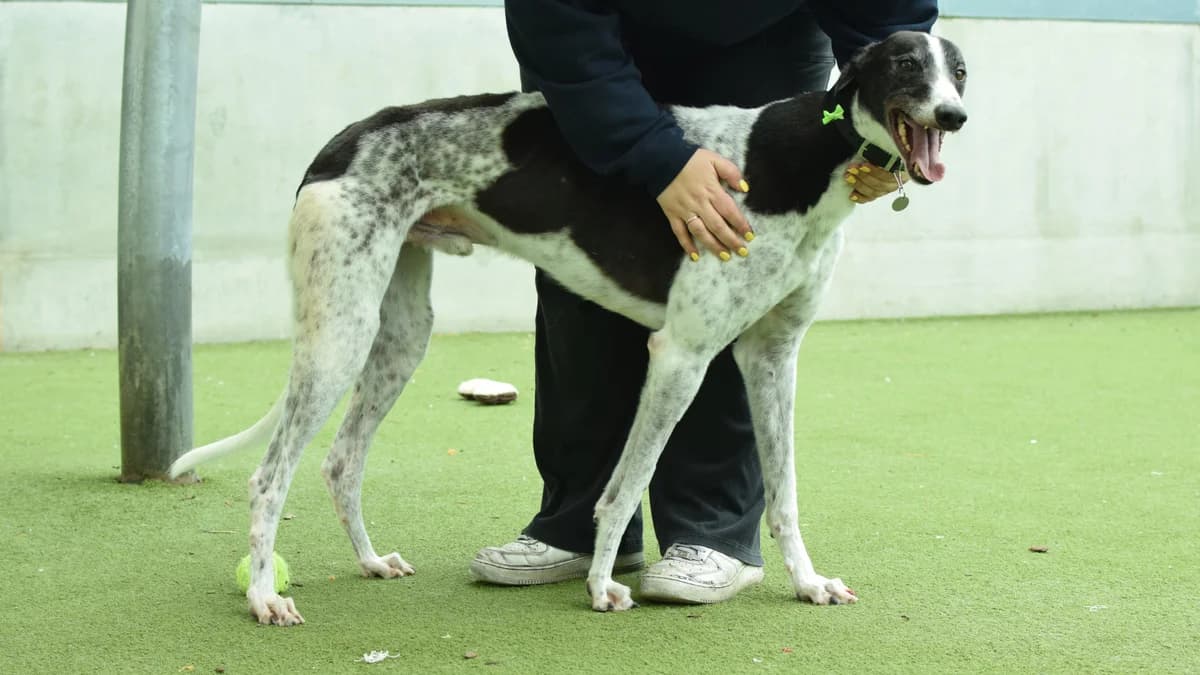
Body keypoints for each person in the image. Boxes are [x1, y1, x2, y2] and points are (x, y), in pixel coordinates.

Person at [471, 0, 938, 604]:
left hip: (763, 42)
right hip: (592, 39)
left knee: (732, 276)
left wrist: (889, 134)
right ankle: (577, 521)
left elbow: (887, 19)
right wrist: (656, 155)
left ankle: (711, 529)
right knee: (582, 276)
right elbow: (558, 24)